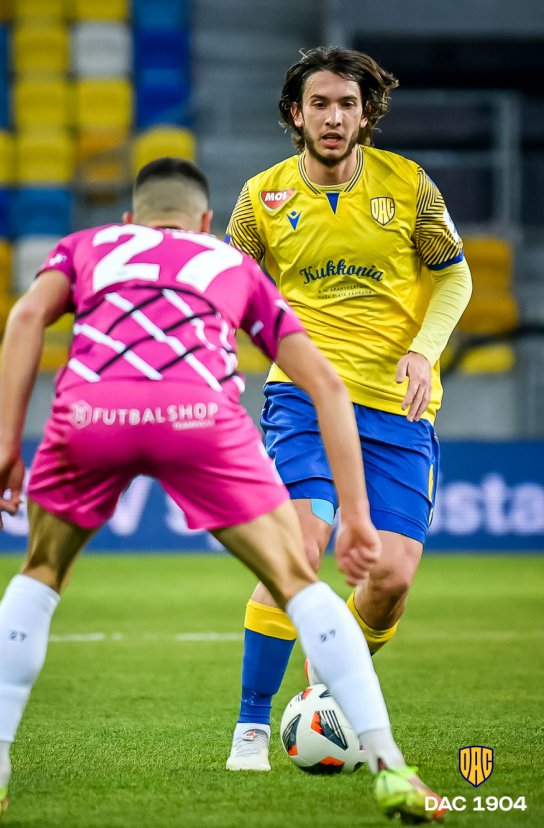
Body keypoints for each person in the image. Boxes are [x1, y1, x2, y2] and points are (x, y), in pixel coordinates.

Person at [0, 157, 444, 826]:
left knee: (40, 575)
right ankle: (390, 768)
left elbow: (24, 319)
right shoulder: (230, 263)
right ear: (206, 222)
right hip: (197, 416)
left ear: (129, 220)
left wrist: (7, 446)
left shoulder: (86, 246)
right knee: (297, 580)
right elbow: (326, 385)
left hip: (93, 413)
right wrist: (355, 514)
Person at [224, 46, 472, 772]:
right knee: (298, 548)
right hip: (302, 397)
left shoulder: (409, 185)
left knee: (390, 580)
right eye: (320, 104)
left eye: (347, 105)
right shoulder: (261, 199)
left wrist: (422, 351)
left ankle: (328, 682)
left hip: (397, 407)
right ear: (295, 114)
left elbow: (455, 280)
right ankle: (249, 729)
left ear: (367, 115)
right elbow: (226, 287)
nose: (333, 117)